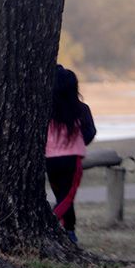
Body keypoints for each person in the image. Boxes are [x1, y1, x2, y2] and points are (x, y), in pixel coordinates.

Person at [46, 64, 97, 244]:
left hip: (49, 160)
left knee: (62, 197)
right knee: (66, 199)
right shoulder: (81, 109)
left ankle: (69, 232)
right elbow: (90, 132)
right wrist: (77, 142)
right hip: (72, 160)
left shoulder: (46, 109)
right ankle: (49, 223)